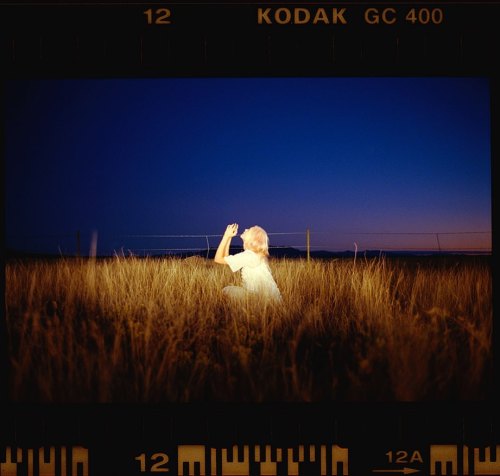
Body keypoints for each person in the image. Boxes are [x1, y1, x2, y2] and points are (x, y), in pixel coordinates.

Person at [214, 223, 282, 302]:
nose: (246, 229)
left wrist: (225, 236)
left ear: (253, 239)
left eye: (249, 230)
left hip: (261, 299)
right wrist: (229, 238)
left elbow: (218, 259)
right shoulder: (254, 255)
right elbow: (226, 258)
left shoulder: (249, 255)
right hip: (270, 299)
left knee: (226, 290)